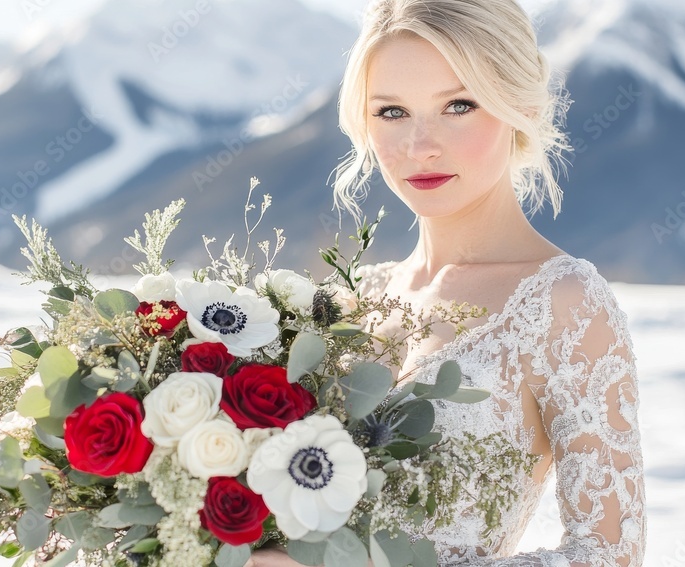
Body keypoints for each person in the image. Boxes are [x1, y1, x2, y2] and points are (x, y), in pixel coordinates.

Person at [249, 0, 646, 565]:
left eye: (458, 105)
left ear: (522, 106)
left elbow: (610, 554)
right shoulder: (348, 300)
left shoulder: (564, 304)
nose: (420, 145)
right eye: (392, 112)